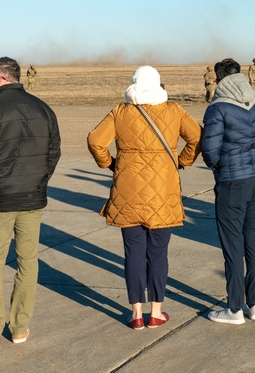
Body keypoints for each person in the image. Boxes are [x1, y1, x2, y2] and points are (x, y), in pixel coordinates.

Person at [87, 66, 202, 330]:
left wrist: (111, 164)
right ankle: (157, 311)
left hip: (128, 192)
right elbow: (197, 137)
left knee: (134, 253)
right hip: (163, 192)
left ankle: (136, 313)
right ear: (159, 85)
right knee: (158, 253)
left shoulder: (120, 111)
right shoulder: (173, 111)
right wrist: (181, 161)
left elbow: (95, 140)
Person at [0, 57, 61, 347]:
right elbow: (53, 154)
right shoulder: (44, 109)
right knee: (28, 262)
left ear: (0, 78)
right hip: (32, 198)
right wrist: (39, 182)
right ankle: (20, 328)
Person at [201, 58, 255, 325]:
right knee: (254, 242)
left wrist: (223, 163)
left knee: (233, 246)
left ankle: (235, 308)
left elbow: (210, 151)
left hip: (231, 183)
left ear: (220, 79)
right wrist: (253, 154)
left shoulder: (218, 109)